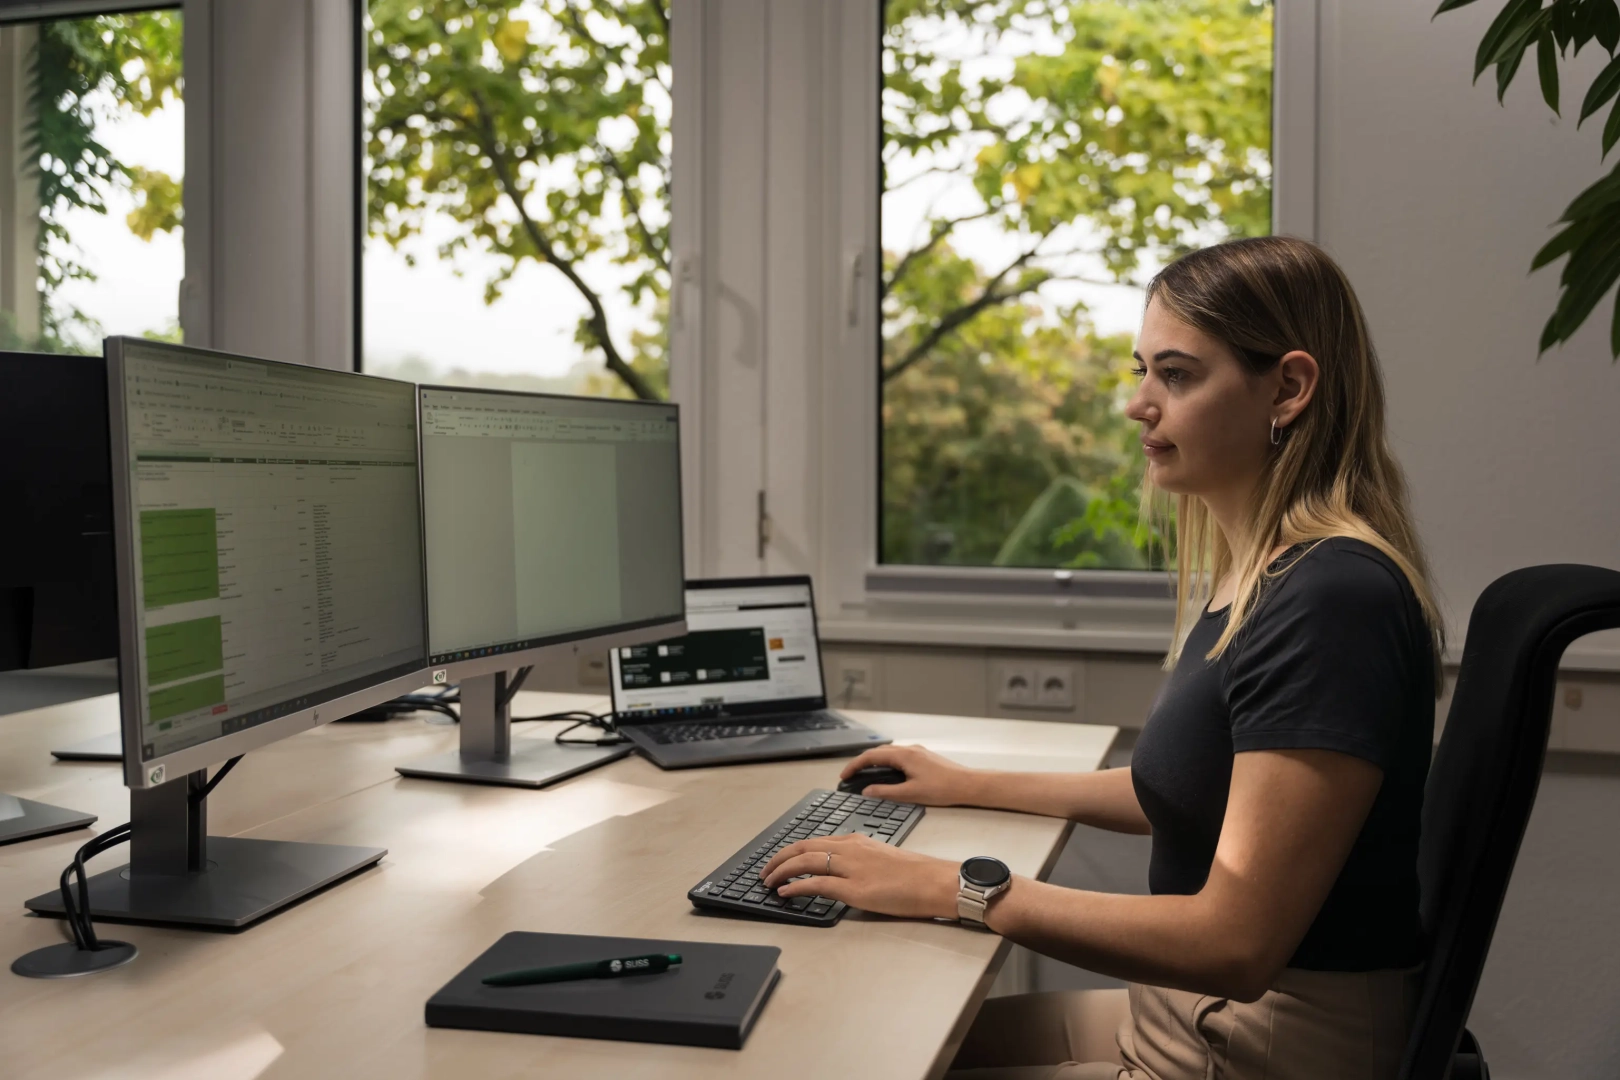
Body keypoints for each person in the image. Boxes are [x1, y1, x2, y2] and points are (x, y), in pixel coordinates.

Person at [761, 235, 1443, 1079]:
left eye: (1178, 375)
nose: (1138, 404)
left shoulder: (1332, 598)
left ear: (1290, 388)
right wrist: (964, 784)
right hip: (1187, 1017)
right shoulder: (1267, 574)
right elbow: (1193, 792)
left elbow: (1237, 943)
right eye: (1140, 372)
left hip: (1262, 1043)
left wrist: (951, 888)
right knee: (873, 1043)